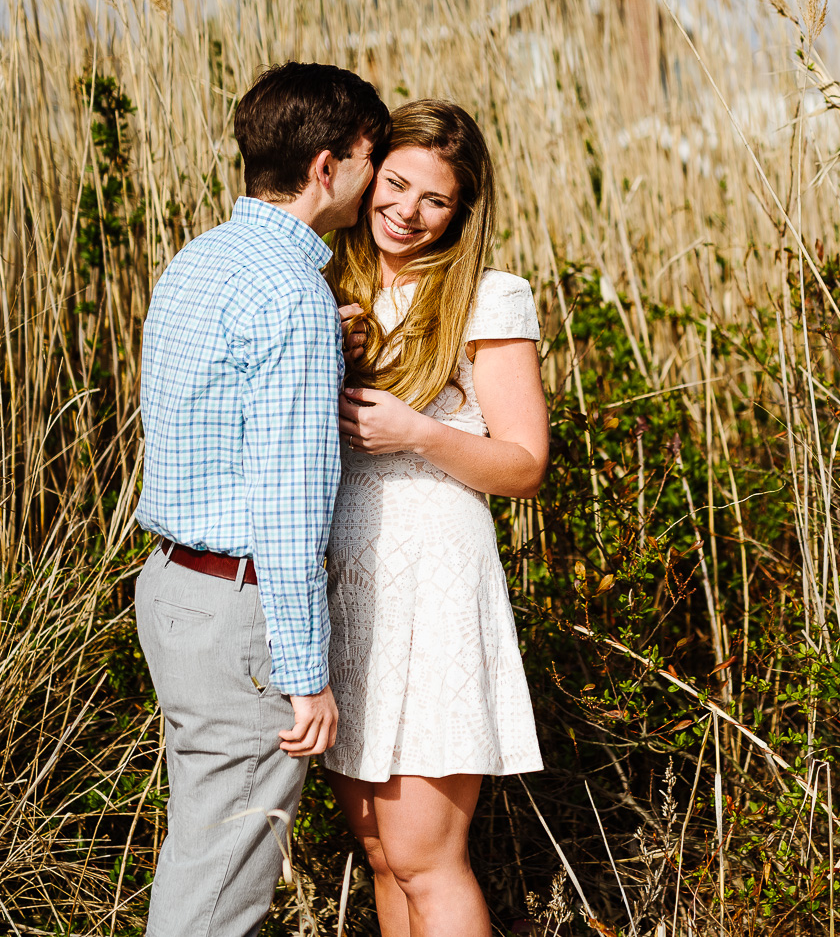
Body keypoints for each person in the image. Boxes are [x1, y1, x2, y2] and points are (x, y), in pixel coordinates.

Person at [132, 62, 389, 937]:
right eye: (371, 156)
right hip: (242, 612)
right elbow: (285, 507)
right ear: (329, 165)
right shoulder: (293, 296)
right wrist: (306, 676)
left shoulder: (201, 260)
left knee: (202, 847)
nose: (375, 176)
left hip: (173, 586)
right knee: (220, 890)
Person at [317, 99, 550, 937]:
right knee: (384, 857)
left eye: (435, 200)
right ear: (366, 172)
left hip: (435, 585)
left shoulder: (488, 296)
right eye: (397, 183)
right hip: (348, 587)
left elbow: (524, 465)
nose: (407, 212)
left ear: (463, 212)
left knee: (426, 856)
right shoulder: (325, 286)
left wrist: (418, 432)